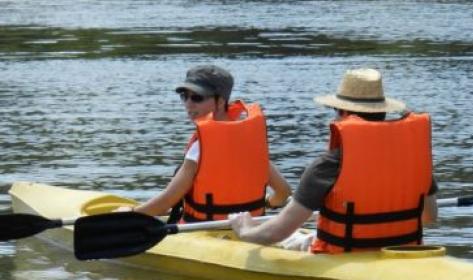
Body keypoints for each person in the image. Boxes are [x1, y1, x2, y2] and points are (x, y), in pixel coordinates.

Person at [230, 68, 438, 253]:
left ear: (344, 113)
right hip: (401, 251)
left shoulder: (328, 165)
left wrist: (245, 229)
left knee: (281, 238)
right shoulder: (413, 158)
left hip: (342, 253)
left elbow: (273, 234)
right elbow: (429, 216)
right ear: (381, 112)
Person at [128, 65, 291, 222]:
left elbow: (167, 201)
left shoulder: (199, 149)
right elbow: (283, 192)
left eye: (197, 97)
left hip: (205, 232)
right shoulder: (249, 143)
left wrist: (132, 214)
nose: (188, 104)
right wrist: (267, 203)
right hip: (250, 229)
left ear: (220, 101)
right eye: (184, 96)